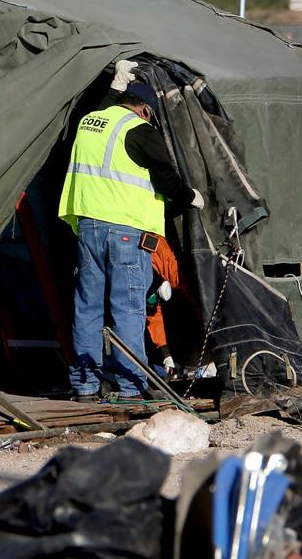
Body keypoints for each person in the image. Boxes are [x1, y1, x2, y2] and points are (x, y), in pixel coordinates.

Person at [58, 59, 203, 400]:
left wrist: (116, 84)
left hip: (88, 228)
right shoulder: (140, 130)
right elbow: (166, 176)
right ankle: (131, 386)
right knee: (128, 309)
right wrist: (189, 197)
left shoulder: (90, 121)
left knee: (88, 308)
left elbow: (106, 109)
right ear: (146, 110)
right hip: (125, 233)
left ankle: (85, 385)